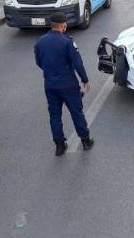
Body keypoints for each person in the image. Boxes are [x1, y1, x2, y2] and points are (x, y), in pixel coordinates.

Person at [34, 12, 94, 156]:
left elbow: (39, 62)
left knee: (55, 115)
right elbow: (77, 63)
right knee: (76, 112)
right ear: (63, 25)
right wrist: (85, 80)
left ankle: (60, 146)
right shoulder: (67, 42)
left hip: (50, 85)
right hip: (68, 85)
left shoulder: (40, 42)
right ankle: (85, 141)